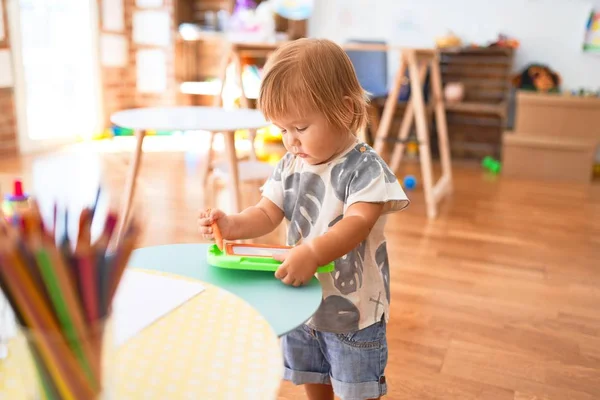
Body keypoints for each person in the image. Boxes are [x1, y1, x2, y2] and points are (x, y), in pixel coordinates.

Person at [198, 38, 409, 400]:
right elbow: (266, 212)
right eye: (282, 130)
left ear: (343, 111)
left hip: (354, 314)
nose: (290, 141)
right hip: (301, 300)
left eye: (299, 127)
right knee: (313, 377)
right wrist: (231, 224)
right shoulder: (291, 164)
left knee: (357, 390)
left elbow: (356, 225)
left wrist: (313, 252)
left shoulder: (365, 168)